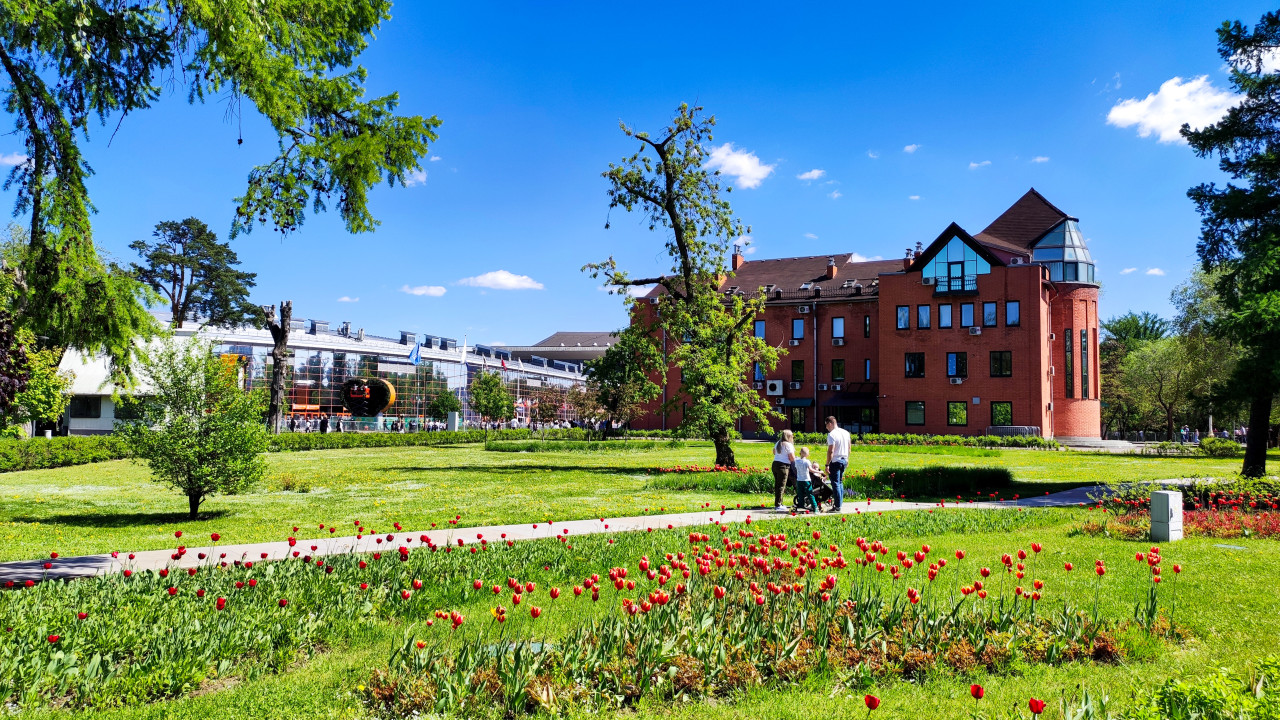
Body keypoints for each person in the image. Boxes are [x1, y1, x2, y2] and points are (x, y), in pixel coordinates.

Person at [825, 416, 851, 512]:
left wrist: (827, 464)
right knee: (840, 482)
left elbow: (831, 451)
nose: (826, 427)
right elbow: (849, 448)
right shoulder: (846, 433)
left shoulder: (832, 434)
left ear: (830, 423)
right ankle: (839, 504)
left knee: (835, 483)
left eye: (826, 425)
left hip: (835, 460)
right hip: (844, 459)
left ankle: (837, 506)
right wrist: (847, 459)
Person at [771, 430, 796, 512]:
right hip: (783, 466)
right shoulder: (788, 445)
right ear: (789, 437)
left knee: (777, 485)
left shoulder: (778, 443)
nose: (793, 437)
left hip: (775, 464)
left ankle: (780, 503)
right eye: (792, 436)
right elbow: (792, 458)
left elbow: (774, 452)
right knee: (781, 486)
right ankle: (778, 505)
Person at [792, 447, 819, 514]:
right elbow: (811, 470)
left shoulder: (797, 461)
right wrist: (819, 472)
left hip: (799, 480)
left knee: (800, 494)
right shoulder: (807, 461)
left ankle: (801, 506)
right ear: (807, 454)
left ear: (800, 453)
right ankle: (815, 507)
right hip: (806, 480)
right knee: (810, 494)